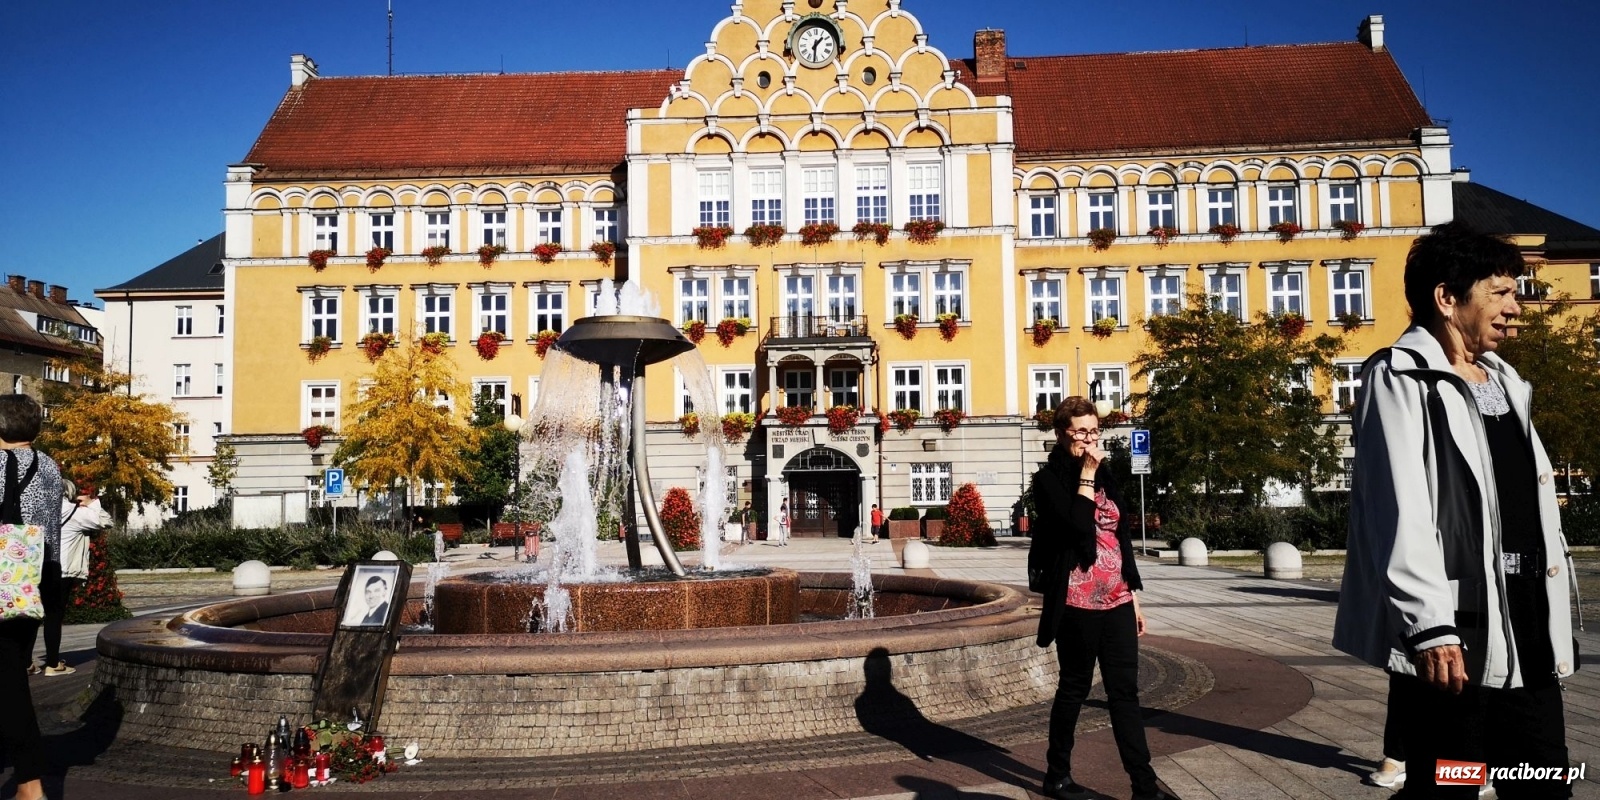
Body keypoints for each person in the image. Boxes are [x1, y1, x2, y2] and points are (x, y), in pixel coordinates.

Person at [1333, 222, 1577, 799]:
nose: (1516, 307)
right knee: (1452, 782)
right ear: (1448, 298)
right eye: (1501, 292)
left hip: (1527, 617)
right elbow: (1400, 505)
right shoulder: (1400, 375)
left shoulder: (1504, 380)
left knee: (1544, 777)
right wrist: (1427, 624)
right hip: (1458, 629)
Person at [1027, 396, 1171, 800]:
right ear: (1061, 435)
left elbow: (1120, 537)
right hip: (1077, 603)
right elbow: (1075, 526)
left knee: (1125, 693)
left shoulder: (1106, 474)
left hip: (1118, 600)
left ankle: (1144, 786)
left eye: (1094, 431)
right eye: (1080, 433)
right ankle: (1057, 775)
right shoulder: (1049, 481)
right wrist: (1087, 474)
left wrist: (1133, 595)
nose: (1089, 440)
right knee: (1074, 688)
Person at [0, 394, 65, 800]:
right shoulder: (50, 467)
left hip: (2, 584)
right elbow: (51, 531)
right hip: (32, 583)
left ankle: (30, 782)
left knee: (8, 683)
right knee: (11, 671)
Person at [38, 480, 107, 677]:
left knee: (33, 616)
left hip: (39, 566)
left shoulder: (40, 511)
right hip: (63, 570)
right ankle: (52, 664)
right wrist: (92, 502)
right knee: (54, 615)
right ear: (69, 494)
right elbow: (103, 521)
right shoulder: (76, 514)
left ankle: (26, 662)